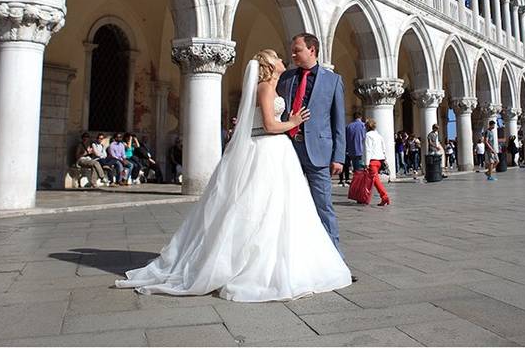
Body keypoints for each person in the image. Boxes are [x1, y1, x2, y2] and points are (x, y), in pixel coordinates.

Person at [115, 50, 351, 300]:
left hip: (277, 151)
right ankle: (253, 263)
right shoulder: (265, 88)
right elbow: (270, 125)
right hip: (269, 148)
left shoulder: (276, 85)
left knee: (281, 208)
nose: (284, 59)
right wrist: (293, 122)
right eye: (278, 58)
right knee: (262, 207)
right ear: (270, 65)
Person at [276, 34, 348, 253]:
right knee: (290, 205)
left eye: (297, 50)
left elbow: (338, 120)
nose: (293, 54)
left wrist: (339, 157)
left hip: (319, 152)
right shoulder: (286, 78)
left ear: (312, 50)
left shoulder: (332, 80)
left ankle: (335, 258)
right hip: (289, 150)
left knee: (323, 205)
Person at [363, 118, 391, 206]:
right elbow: (383, 149)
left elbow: (368, 149)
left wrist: (366, 163)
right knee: (373, 180)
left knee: (375, 181)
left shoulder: (368, 135)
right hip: (379, 160)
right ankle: (365, 197)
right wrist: (385, 159)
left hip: (372, 161)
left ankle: (384, 196)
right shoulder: (379, 135)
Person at [341, 111, 365, 186]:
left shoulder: (349, 126)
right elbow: (365, 138)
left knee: (355, 168)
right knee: (361, 168)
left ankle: (356, 182)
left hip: (351, 151)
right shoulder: (363, 126)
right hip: (361, 150)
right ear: (360, 117)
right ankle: (359, 183)